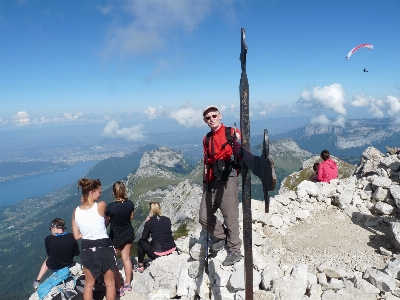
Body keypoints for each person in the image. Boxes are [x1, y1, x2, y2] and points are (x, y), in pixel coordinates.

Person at [199, 105, 242, 266]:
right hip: (211, 180)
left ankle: (234, 250)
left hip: (228, 179)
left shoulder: (231, 133)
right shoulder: (206, 139)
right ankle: (222, 236)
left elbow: (242, 152)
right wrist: (205, 183)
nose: (211, 119)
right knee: (203, 216)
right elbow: (206, 162)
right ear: (205, 120)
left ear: (220, 116)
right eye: (208, 118)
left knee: (230, 215)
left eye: (214, 116)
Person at [72, 178, 122, 300]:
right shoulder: (101, 205)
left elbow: (77, 236)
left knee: (89, 285)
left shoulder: (75, 211)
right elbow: (105, 219)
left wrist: (88, 231)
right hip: (104, 247)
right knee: (110, 284)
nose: (101, 194)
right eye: (99, 191)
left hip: (87, 249)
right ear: (92, 192)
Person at [33, 218, 80, 289]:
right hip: (68, 263)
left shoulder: (48, 239)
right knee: (66, 253)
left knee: (48, 259)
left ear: (54, 228)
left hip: (53, 267)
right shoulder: (72, 236)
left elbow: (50, 254)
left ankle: (37, 280)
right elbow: (75, 253)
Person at [105, 181, 135, 292]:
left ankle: (118, 287)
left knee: (112, 261)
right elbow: (131, 217)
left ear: (113, 192)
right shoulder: (130, 203)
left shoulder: (111, 207)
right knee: (126, 258)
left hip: (115, 237)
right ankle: (128, 283)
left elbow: (106, 222)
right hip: (128, 233)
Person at [136, 202, 176, 272]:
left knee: (141, 241)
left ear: (151, 210)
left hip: (159, 254)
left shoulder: (149, 222)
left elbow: (144, 237)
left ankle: (140, 265)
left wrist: (147, 223)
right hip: (172, 250)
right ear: (159, 209)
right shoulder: (167, 219)